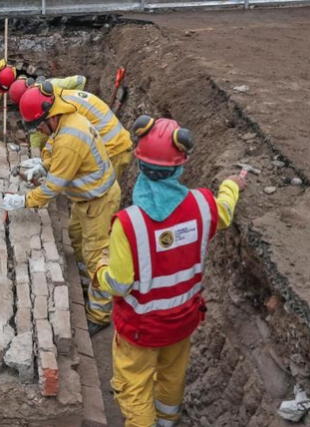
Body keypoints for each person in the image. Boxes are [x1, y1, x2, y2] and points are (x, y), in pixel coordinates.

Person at [93, 115, 246, 426]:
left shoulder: (129, 223)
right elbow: (225, 210)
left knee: (133, 388)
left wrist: (99, 270)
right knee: (172, 376)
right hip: (182, 320)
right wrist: (232, 185)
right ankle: (167, 421)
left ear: (140, 164)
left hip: (140, 328)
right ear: (180, 165)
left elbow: (119, 285)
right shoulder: (204, 205)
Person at [2, 83, 118, 336]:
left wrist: (23, 201)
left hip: (99, 201)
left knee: (96, 255)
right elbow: (55, 153)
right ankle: (86, 283)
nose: (40, 131)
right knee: (75, 237)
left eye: (40, 125)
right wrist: (43, 164)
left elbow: (52, 188)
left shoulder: (70, 137)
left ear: (50, 116)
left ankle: (99, 313)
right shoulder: (66, 121)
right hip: (85, 199)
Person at [8, 74, 88, 150]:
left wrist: (71, 105)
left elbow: (81, 80)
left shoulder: (53, 85)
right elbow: (35, 145)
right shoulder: (36, 115)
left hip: (83, 125)